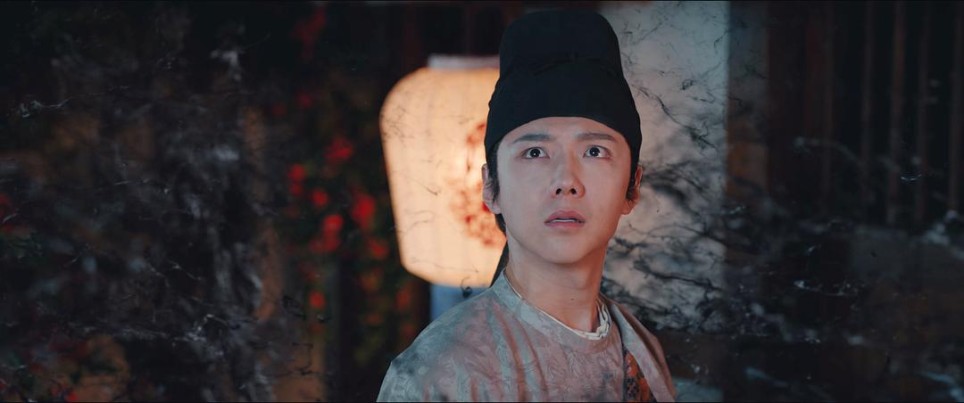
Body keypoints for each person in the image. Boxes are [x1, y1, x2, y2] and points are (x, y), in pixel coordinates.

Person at [378, 8, 675, 402]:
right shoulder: (441, 375)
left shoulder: (642, 348)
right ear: (491, 187)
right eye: (535, 152)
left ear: (632, 187)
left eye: (594, 151)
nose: (566, 181)